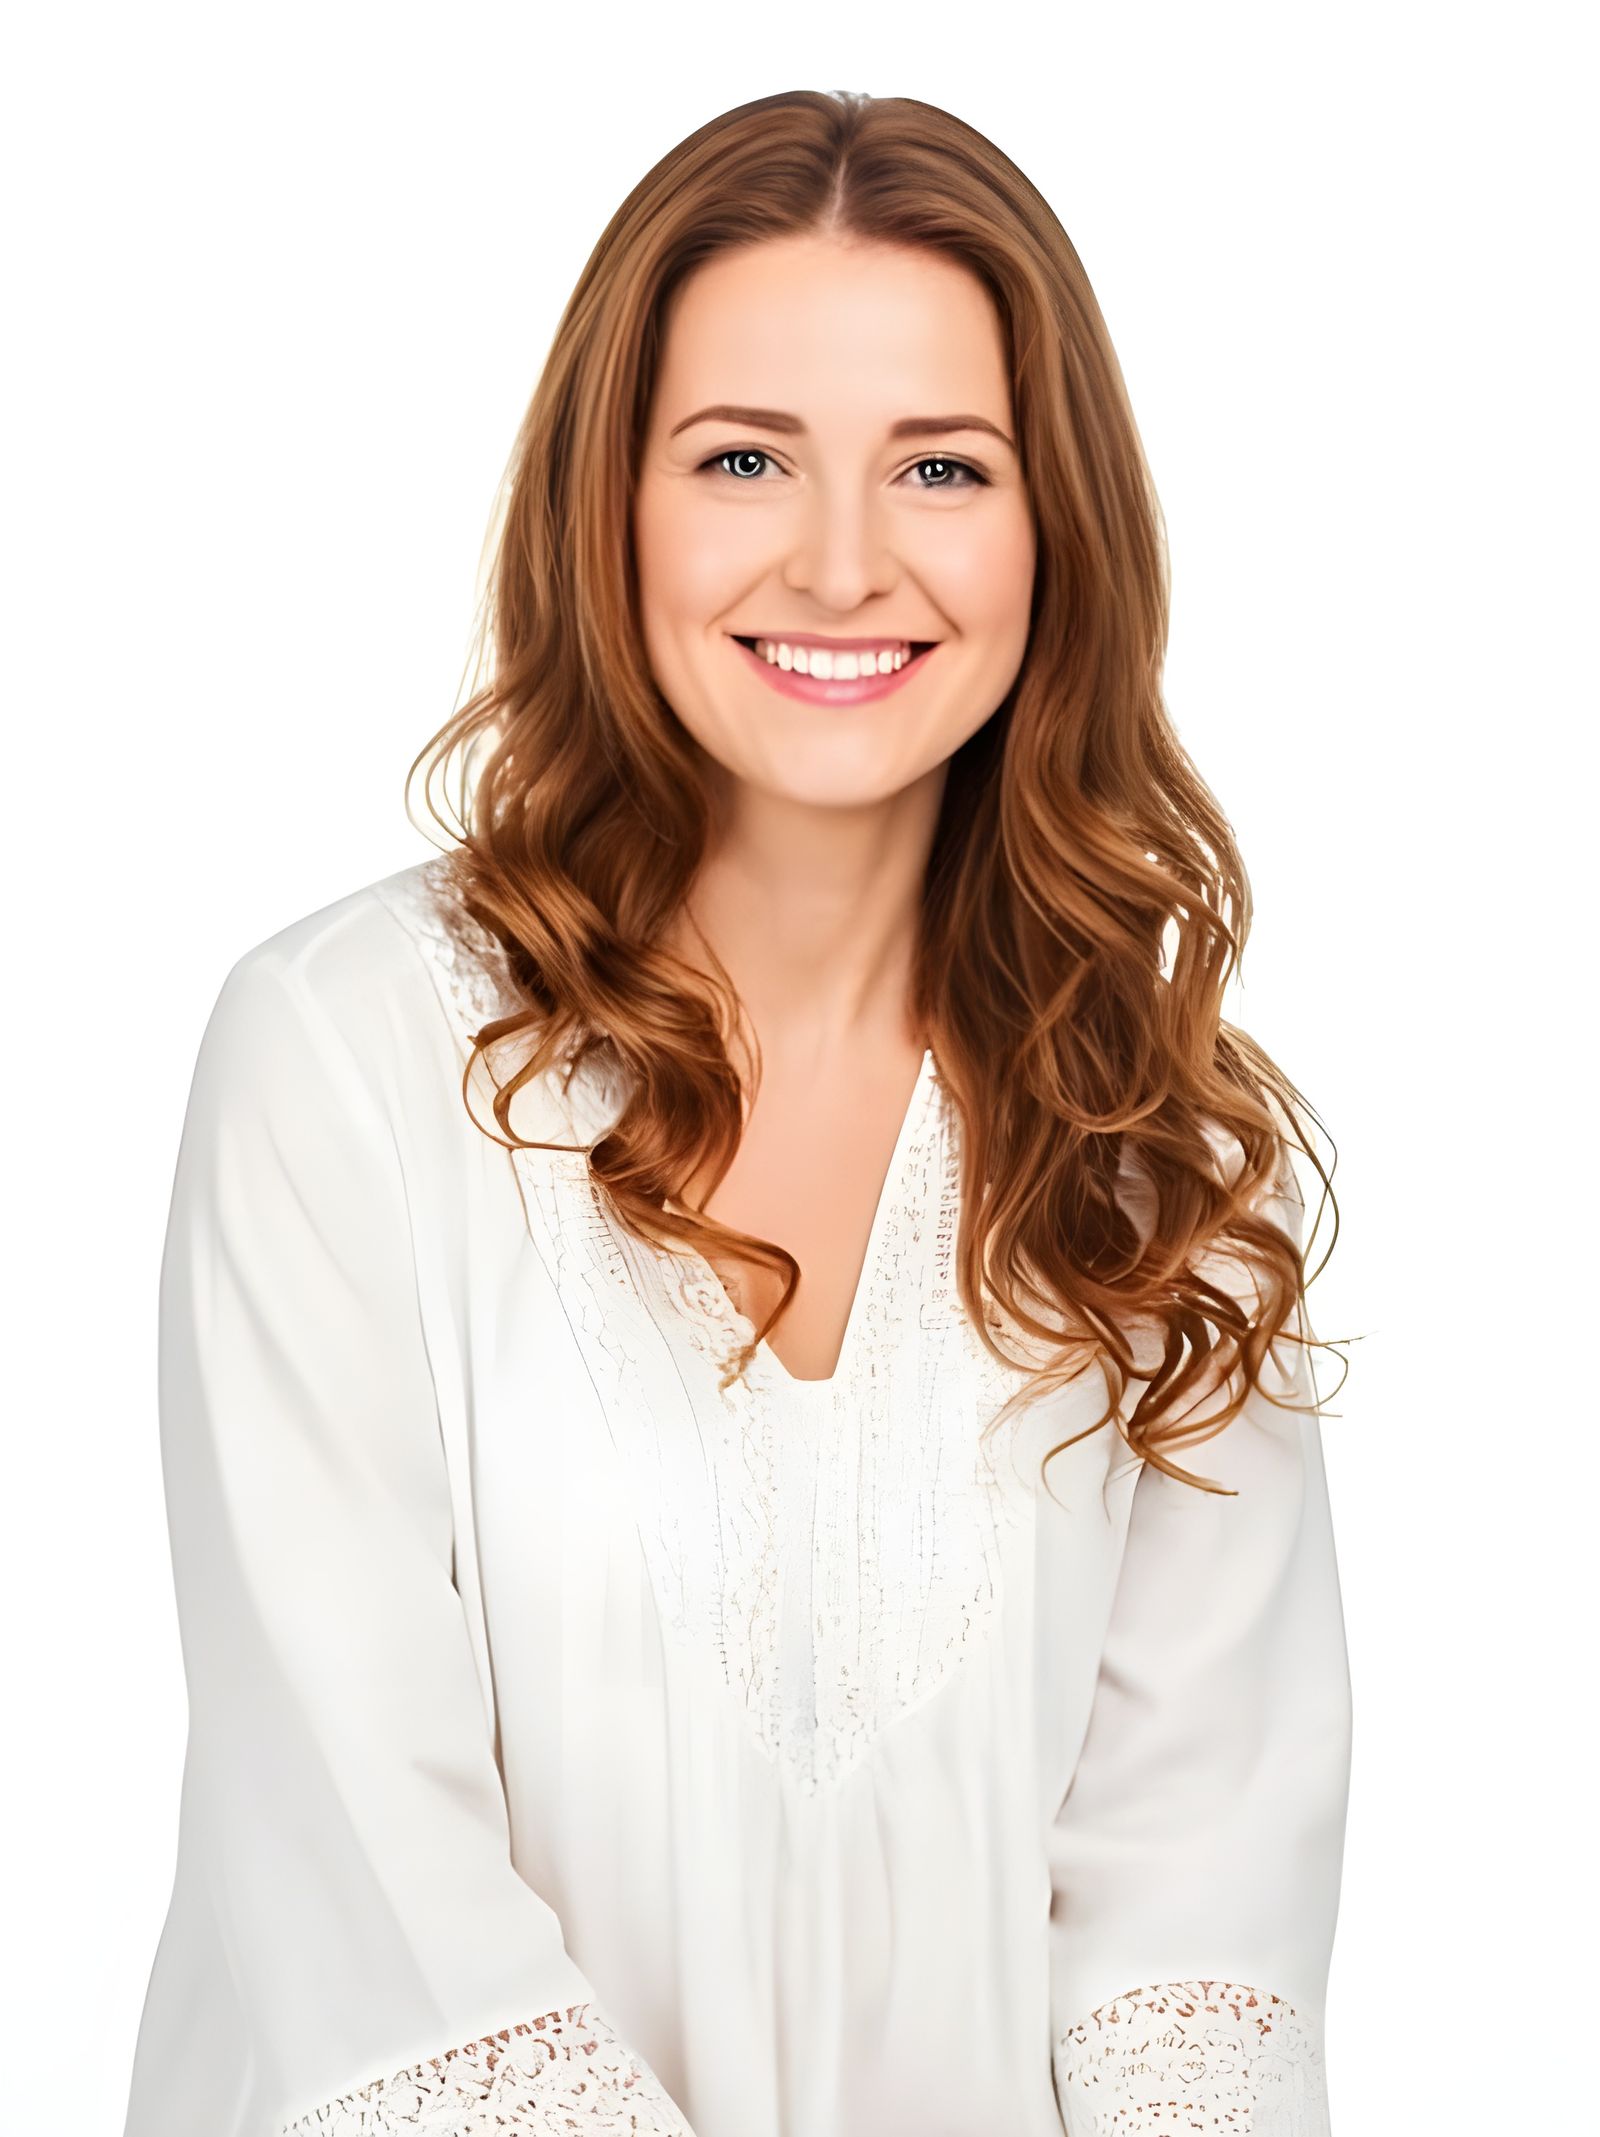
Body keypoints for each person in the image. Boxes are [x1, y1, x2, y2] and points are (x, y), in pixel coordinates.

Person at [122, 87, 1352, 2137]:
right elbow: (367, 1906)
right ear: (608, 505)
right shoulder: (337, 1067)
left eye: (940, 465)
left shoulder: (1146, 1160)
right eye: (743, 458)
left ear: (1057, 527)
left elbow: (1191, 1965)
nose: (843, 560)